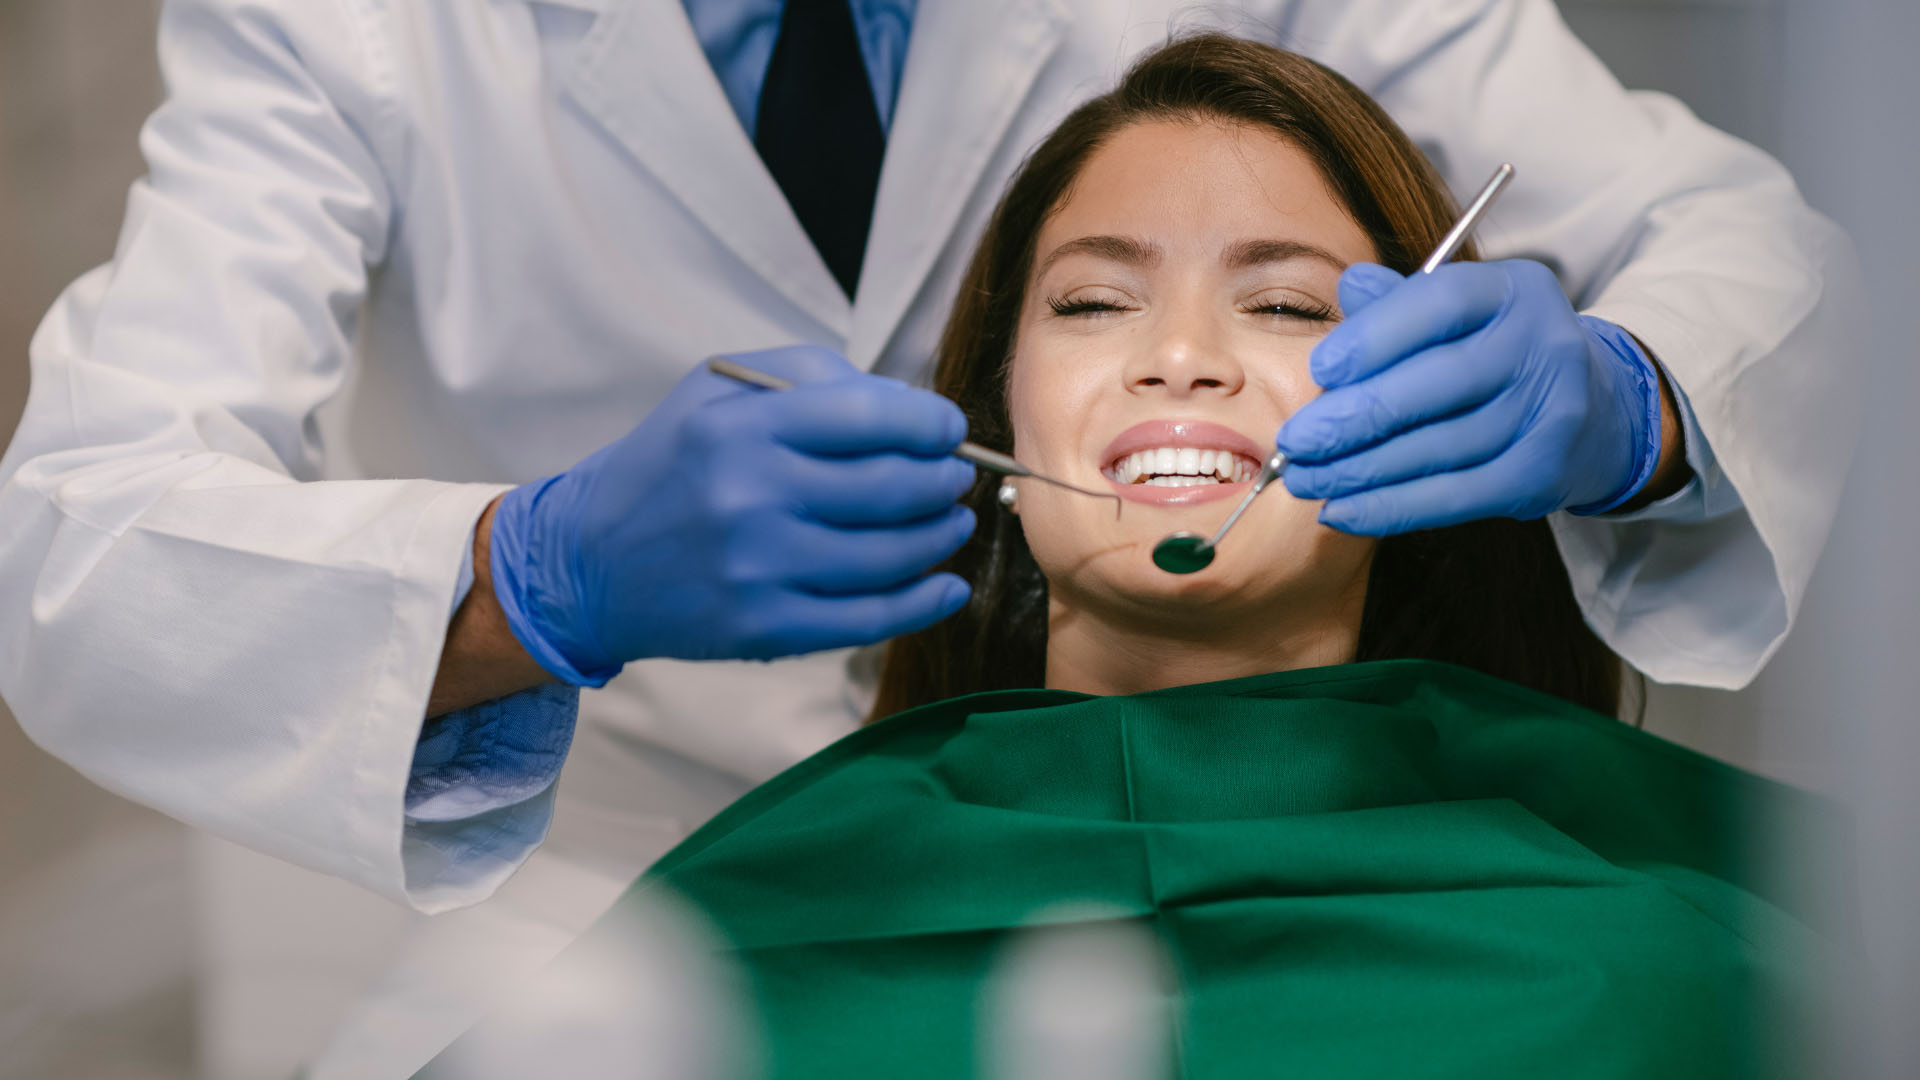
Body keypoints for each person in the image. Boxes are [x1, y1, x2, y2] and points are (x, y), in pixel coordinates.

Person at [0, 0, 1856, 1073]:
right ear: (1001, 380)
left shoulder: (1676, 957)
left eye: (1289, 307)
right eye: (1094, 303)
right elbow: (82, 544)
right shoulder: (345, 24)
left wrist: (1628, 400)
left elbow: (1744, 246)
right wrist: (537, 572)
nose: (1189, 364)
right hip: (621, 889)